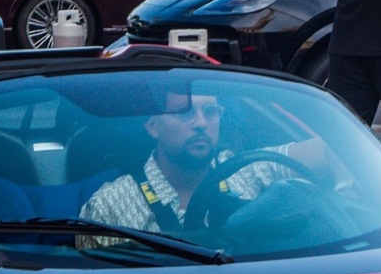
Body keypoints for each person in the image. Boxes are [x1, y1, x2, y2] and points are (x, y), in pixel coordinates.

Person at [79, 89, 293, 233]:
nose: (201, 123)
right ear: (153, 125)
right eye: (185, 112)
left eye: (210, 112)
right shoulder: (109, 205)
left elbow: (325, 152)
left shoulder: (246, 169)